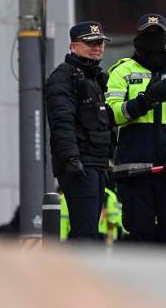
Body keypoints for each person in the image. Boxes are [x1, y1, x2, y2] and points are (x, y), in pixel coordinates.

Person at [105, 13, 166, 244]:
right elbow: (112, 115)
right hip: (134, 171)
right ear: (137, 38)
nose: (152, 39)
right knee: (141, 238)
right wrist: (144, 101)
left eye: (157, 34)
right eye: (147, 34)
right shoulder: (122, 71)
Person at [45, 21, 112, 241]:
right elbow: (61, 122)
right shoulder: (63, 78)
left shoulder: (97, 79)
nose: (97, 47)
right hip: (80, 164)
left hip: (97, 164)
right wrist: (71, 159)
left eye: (100, 43)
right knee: (85, 232)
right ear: (73, 46)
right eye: (90, 43)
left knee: (90, 230)